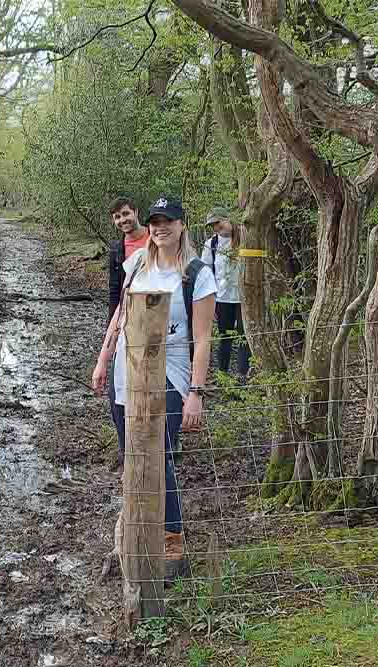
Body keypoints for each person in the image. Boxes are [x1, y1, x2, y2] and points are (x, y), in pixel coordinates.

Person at [92, 196, 217, 580]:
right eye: (155, 221)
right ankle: (136, 528)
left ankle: (172, 539)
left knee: (158, 454)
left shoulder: (197, 274)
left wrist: (196, 391)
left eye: (168, 221)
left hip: (170, 372)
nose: (161, 227)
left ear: (182, 225)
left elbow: (204, 337)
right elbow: (120, 315)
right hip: (125, 371)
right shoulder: (136, 264)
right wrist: (103, 357)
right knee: (131, 452)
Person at [106, 197, 150, 471]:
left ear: (136, 212)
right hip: (125, 321)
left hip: (157, 323)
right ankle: (126, 448)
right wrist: (112, 327)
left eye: (125, 214)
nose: (122, 220)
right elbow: (114, 291)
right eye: (117, 217)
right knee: (116, 389)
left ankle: (162, 443)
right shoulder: (117, 249)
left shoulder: (155, 240)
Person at [201, 206, 251, 379]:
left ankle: (242, 374)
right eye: (212, 225)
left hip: (245, 297)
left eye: (218, 222)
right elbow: (206, 272)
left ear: (228, 219)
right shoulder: (211, 244)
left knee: (244, 336)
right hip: (222, 298)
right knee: (224, 337)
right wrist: (210, 299)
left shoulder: (246, 237)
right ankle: (223, 374)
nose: (216, 227)